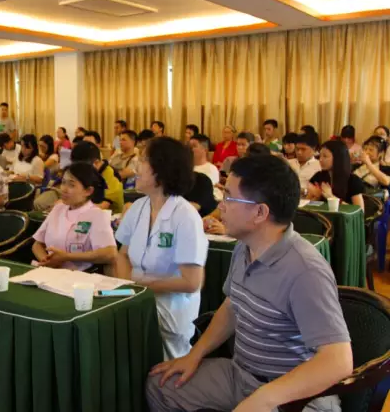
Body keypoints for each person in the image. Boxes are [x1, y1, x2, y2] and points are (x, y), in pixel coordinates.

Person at [148, 154, 352, 412]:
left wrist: (265, 398)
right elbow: (232, 306)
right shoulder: (245, 247)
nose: (221, 205)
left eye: (229, 198)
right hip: (242, 376)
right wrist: (194, 355)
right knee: (161, 385)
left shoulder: (305, 269)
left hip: (294, 394)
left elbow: (338, 361)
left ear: (259, 212)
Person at [114, 137, 206, 359]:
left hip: (170, 311)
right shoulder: (138, 207)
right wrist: (129, 289)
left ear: (162, 170)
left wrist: (141, 288)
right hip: (138, 299)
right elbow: (122, 255)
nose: (137, 166)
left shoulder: (185, 216)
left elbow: (192, 282)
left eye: (144, 160)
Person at [32, 163, 118, 271]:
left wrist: (67, 257)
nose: (64, 189)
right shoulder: (58, 209)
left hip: (80, 276)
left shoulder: (97, 215)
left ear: (88, 191)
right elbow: (37, 244)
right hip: (49, 271)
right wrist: (46, 261)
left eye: (71, 185)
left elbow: (110, 254)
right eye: (63, 182)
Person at [308, 140, 365, 210]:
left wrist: (331, 197)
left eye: (325, 156)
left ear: (338, 158)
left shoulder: (352, 180)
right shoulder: (318, 176)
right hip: (320, 215)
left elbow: (360, 212)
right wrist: (317, 197)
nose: (320, 159)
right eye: (320, 156)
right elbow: (306, 206)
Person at [72, 142, 124, 213]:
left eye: (83, 168)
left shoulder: (110, 175)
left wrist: (78, 209)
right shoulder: (86, 174)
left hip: (110, 216)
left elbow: (104, 205)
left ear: (96, 163)